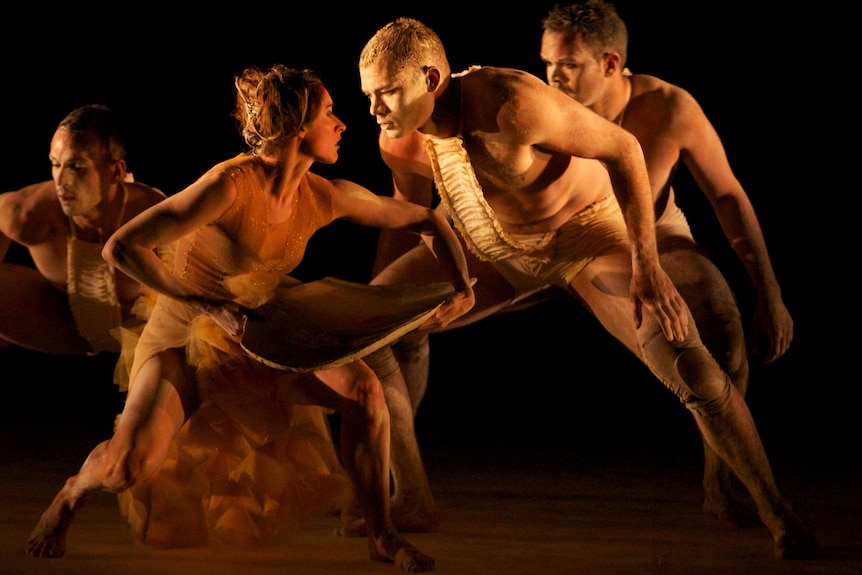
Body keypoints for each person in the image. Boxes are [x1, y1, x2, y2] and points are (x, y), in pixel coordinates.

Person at [357, 18, 815, 559]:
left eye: (387, 92)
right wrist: (387, 297)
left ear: (431, 78)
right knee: (374, 330)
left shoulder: (511, 101)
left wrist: (648, 264)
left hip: (589, 238)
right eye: (368, 95)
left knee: (688, 361)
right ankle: (411, 496)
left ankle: (774, 510)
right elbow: (411, 220)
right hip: (498, 246)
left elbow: (625, 149)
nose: (375, 109)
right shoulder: (399, 143)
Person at [27, 63, 475, 572]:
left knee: (364, 390)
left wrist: (463, 288)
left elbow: (426, 219)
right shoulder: (229, 186)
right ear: (298, 126)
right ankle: (70, 493)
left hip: (259, 333)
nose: (342, 124)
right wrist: (206, 306)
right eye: (330, 112)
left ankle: (382, 536)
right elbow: (123, 247)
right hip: (184, 334)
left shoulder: (322, 196)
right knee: (127, 467)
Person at [538, 0, 794, 529]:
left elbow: (727, 195)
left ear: (611, 64)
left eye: (567, 65)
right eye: (546, 63)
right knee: (398, 319)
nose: (552, 77)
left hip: (650, 233)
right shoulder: (535, 106)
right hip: (550, 242)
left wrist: (769, 292)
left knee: (721, 338)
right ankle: (400, 495)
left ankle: (720, 483)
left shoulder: (668, 108)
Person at [0, 104, 167, 387]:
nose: (61, 181)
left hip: (146, 336)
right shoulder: (26, 213)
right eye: (55, 164)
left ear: (116, 171)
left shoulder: (154, 215)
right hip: (66, 325)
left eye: (77, 167)